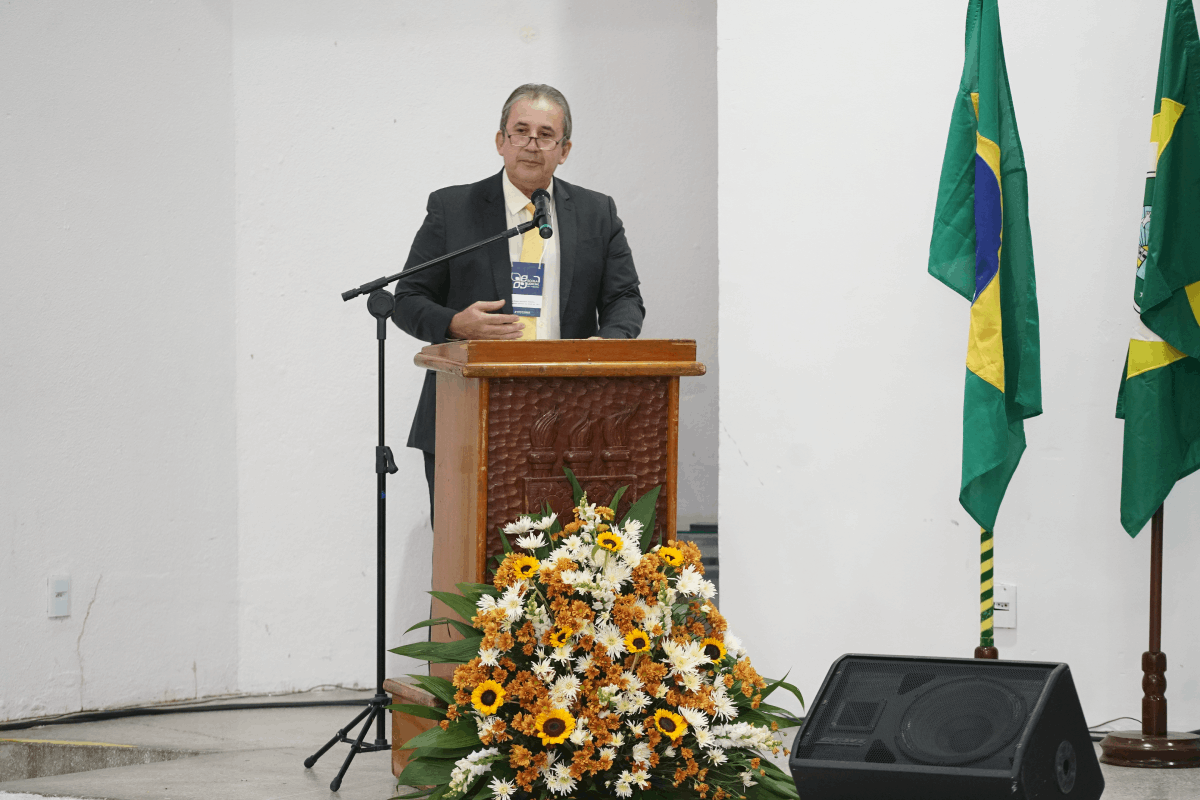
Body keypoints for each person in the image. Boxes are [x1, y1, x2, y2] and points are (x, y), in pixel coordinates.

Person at [392, 84, 645, 522]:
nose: (532, 144)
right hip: (468, 413)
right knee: (468, 559)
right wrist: (456, 324)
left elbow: (624, 298)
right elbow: (407, 298)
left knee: (565, 565)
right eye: (521, 131)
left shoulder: (596, 212)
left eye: (546, 134)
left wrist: (606, 345)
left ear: (564, 150)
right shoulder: (454, 208)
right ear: (500, 141)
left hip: (573, 419)